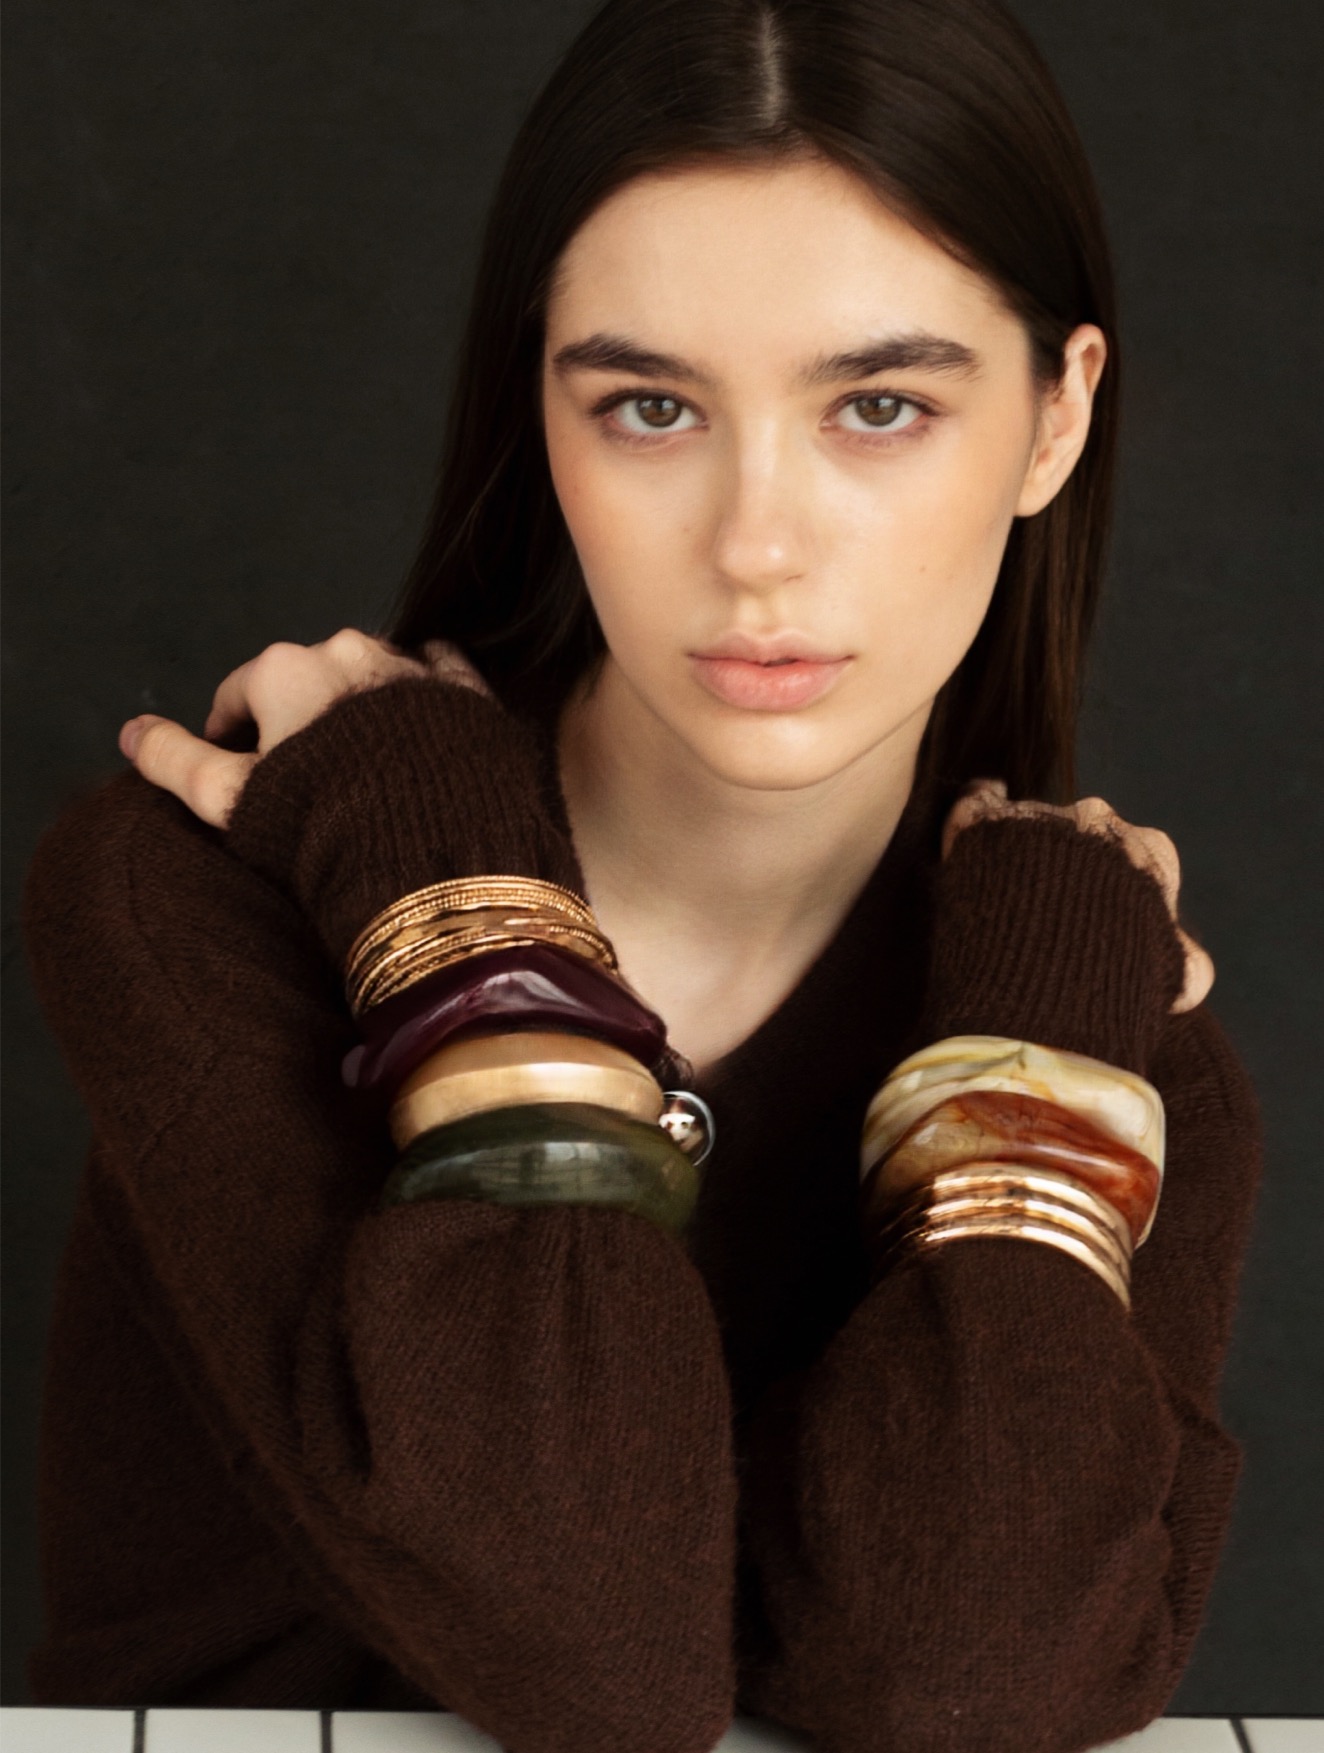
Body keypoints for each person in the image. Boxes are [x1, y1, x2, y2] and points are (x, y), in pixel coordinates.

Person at [21, 0, 1260, 1748]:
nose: (756, 544)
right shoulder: (211, 909)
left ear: (1056, 422)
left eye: (880, 406)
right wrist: (457, 907)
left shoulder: (1100, 1054)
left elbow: (966, 1677)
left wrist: (1028, 1058)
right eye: (652, 406)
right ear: (542, 409)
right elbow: (593, 1653)